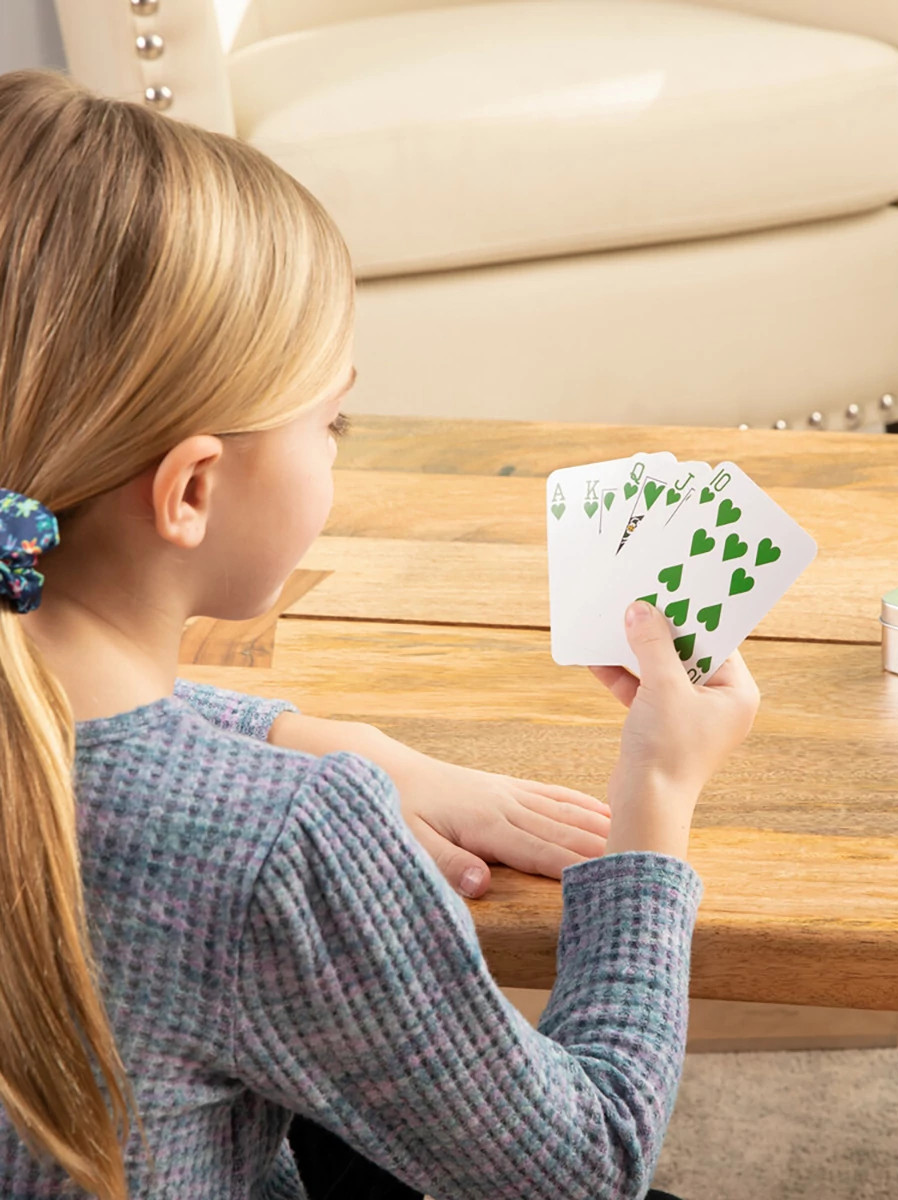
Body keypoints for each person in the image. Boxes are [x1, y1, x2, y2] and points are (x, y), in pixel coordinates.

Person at [0, 67, 760, 1200]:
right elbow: (584, 1168)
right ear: (192, 490)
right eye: (333, 418)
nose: (338, 443)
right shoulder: (278, 845)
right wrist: (657, 805)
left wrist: (318, 736)